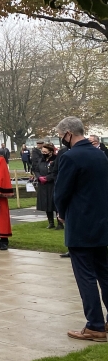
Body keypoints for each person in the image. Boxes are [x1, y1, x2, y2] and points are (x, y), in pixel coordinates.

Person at [54, 116, 108, 342]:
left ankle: (95, 325)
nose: (61, 140)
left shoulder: (70, 157)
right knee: (105, 274)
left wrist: (61, 213)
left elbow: (62, 191)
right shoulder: (100, 154)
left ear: (68, 133)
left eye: (61, 136)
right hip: (102, 223)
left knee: (85, 276)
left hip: (80, 225)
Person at [33, 143, 60, 229]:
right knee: (46, 203)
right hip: (43, 185)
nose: (43, 153)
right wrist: (39, 177)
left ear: (50, 152)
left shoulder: (56, 160)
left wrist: (48, 178)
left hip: (53, 184)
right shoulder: (41, 160)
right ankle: (51, 222)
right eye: (42, 151)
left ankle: (60, 223)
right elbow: (36, 170)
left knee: (55, 204)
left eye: (45, 151)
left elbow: (57, 171)